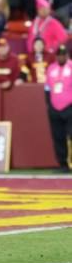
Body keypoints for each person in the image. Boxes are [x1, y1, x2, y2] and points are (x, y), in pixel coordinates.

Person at [45, 44, 72, 174]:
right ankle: (62, 163)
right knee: (58, 137)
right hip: (55, 108)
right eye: (59, 55)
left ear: (67, 55)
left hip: (70, 107)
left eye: (63, 54)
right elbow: (47, 88)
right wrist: (49, 106)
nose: (61, 57)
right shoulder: (51, 68)